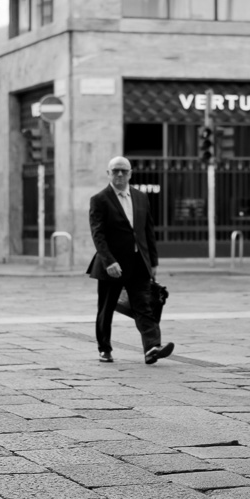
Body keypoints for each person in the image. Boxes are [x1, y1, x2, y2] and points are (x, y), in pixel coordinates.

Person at [87, 156, 174, 364]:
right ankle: (104, 349)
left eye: (123, 171)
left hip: (138, 263)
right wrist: (109, 262)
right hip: (112, 265)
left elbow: (147, 231)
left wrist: (152, 262)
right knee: (106, 308)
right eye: (115, 170)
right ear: (108, 173)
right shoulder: (99, 199)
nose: (119, 174)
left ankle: (152, 347)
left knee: (144, 305)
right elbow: (98, 235)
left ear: (130, 173)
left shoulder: (141, 198)